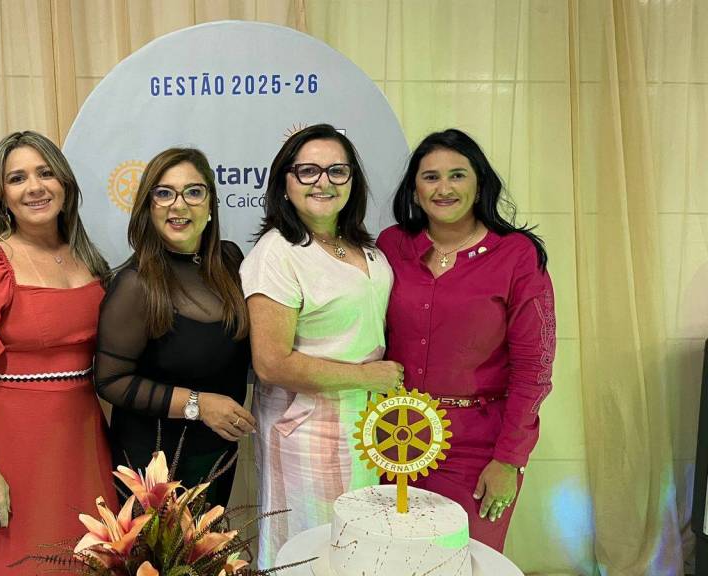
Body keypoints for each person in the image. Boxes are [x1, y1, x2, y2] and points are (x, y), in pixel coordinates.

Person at [0, 131, 116, 574]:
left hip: (82, 438)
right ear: (1, 196)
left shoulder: (88, 258)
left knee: (84, 558)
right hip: (7, 446)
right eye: (17, 178)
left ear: (64, 183)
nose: (35, 187)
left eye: (45, 173)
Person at [376, 128, 555, 551]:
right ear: (415, 190)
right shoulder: (392, 245)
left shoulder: (517, 255)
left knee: (463, 560)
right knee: (394, 558)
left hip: (478, 449)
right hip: (396, 437)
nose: (444, 188)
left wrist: (508, 460)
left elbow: (534, 368)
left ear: (479, 185)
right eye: (431, 177)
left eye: (457, 175)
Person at [241, 124, 403, 567]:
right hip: (306, 429)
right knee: (309, 550)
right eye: (308, 171)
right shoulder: (277, 253)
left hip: (365, 423)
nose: (323, 182)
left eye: (337, 170)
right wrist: (366, 376)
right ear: (284, 182)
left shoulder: (364, 247)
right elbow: (271, 363)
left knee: (359, 547)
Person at [94, 147, 253, 507]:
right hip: (154, 464)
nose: (179, 205)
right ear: (148, 207)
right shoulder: (135, 284)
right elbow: (110, 380)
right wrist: (199, 404)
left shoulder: (230, 261)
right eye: (164, 193)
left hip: (216, 453)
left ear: (210, 205)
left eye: (193, 192)